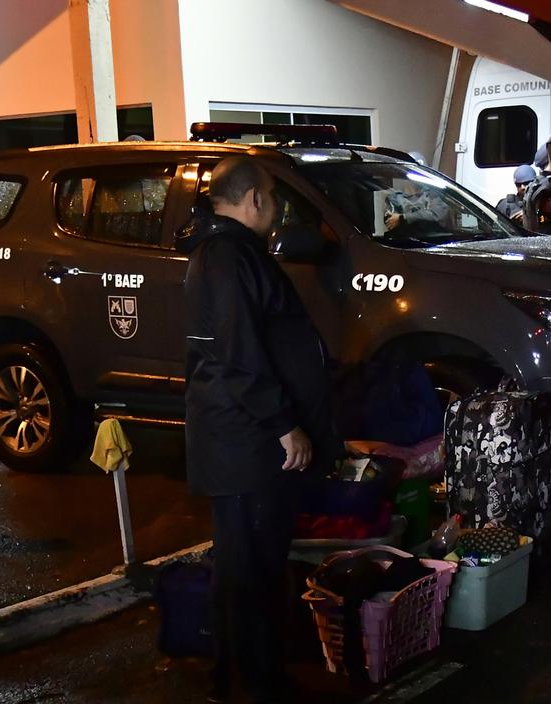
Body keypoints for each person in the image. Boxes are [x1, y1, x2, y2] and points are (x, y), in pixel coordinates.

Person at [179, 156, 340, 704]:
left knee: (240, 567)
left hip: (237, 439)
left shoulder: (222, 251)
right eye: (272, 197)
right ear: (252, 200)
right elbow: (239, 354)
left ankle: (235, 677)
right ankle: (259, 684)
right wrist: (285, 425)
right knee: (252, 570)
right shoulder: (228, 256)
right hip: (246, 443)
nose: (274, 208)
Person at [385, 178, 452, 239]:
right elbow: (391, 221)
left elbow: (436, 215)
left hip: (434, 242)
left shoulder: (432, 194)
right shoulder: (394, 198)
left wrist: (404, 217)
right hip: (406, 244)